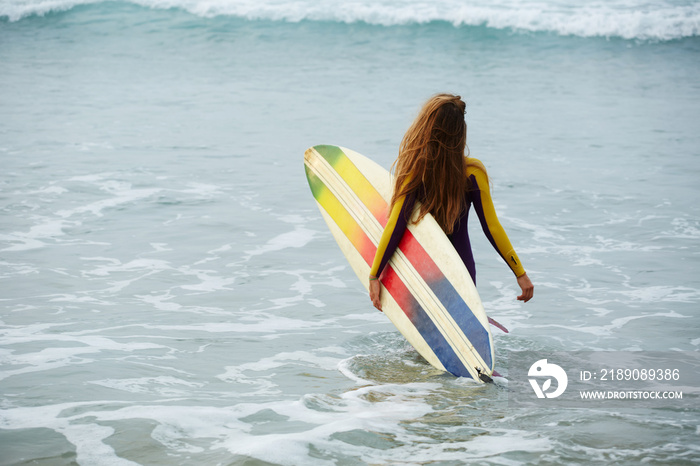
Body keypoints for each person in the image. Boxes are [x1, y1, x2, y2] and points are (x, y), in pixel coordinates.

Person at [368, 94, 534, 311]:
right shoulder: (473, 173)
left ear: (426, 128)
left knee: (421, 342)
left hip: (423, 271)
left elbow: (395, 225)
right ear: (461, 131)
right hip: (461, 273)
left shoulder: (416, 171)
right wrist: (520, 273)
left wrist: (375, 274)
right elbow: (492, 228)